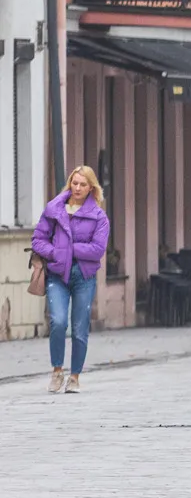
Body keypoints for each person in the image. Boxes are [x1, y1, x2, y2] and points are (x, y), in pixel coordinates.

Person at [32, 165, 109, 394]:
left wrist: (69, 249)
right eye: (74, 183)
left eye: (83, 184)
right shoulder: (54, 209)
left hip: (84, 276)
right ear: (69, 183)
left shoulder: (99, 216)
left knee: (79, 327)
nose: (77, 188)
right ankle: (57, 371)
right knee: (57, 321)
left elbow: (97, 249)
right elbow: (38, 240)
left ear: (91, 188)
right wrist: (57, 253)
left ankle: (74, 377)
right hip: (57, 273)